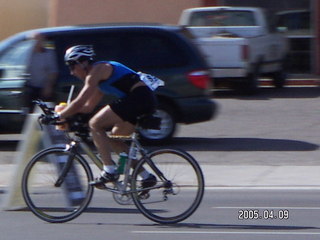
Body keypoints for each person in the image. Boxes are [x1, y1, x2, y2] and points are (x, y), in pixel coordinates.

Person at [57, 45, 159, 189]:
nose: (72, 72)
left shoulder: (98, 70)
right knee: (114, 140)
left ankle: (109, 171)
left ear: (82, 62)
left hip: (139, 98)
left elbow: (80, 100)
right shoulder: (99, 80)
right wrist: (67, 113)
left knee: (95, 124)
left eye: (72, 67)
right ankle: (146, 176)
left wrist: (59, 115)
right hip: (141, 100)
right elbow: (87, 107)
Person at [24, 32, 58, 111]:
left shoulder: (48, 54)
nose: (38, 42)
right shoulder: (28, 55)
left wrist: (48, 86)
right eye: (35, 40)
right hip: (31, 88)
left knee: (44, 111)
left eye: (40, 40)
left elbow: (53, 71)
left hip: (44, 89)